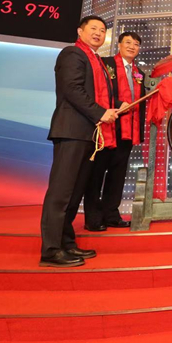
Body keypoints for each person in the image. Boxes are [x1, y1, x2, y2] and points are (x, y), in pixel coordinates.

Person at [39, 16, 123, 267]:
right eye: (93, 28)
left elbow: (99, 95)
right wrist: (100, 113)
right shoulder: (72, 53)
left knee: (74, 194)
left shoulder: (96, 60)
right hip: (72, 130)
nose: (98, 33)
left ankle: (66, 243)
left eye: (102, 30)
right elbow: (73, 89)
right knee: (61, 193)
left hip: (89, 134)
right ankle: (51, 250)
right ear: (80, 31)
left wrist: (117, 106)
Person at [84, 31, 146, 231]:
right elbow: (99, 91)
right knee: (96, 175)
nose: (132, 47)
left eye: (136, 44)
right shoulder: (106, 64)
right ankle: (93, 218)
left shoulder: (139, 73)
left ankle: (111, 214)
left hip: (127, 131)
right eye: (128, 42)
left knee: (117, 175)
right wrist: (119, 104)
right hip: (107, 127)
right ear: (119, 44)